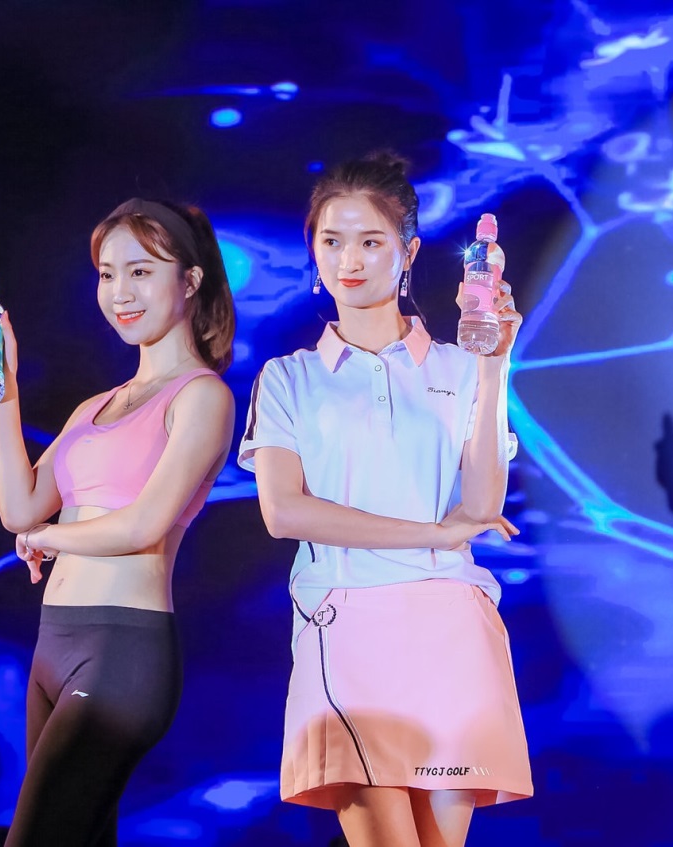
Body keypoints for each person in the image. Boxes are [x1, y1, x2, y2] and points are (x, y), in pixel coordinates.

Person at [238, 152, 533, 847]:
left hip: (450, 625)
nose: (350, 260)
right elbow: (284, 512)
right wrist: (432, 532)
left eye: (371, 241)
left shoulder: (461, 368)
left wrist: (495, 364)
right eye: (331, 240)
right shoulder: (289, 378)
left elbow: (481, 502)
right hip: (342, 625)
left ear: (409, 252)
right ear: (313, 252)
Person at [0, 199, 236, 846]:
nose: (120, 293)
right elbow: (20, 506)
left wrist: (47, 538)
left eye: (140, 272)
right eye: (107, 274)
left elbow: (143, 524)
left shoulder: (202, 396)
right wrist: (2, 384)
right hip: (52, 646)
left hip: (121, 652)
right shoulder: (94, 406)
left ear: (190, 280)